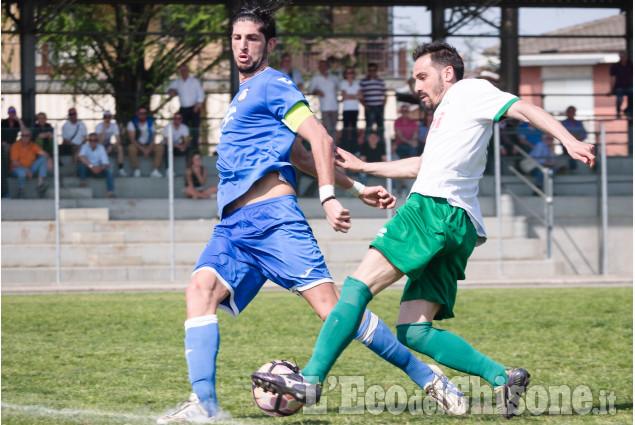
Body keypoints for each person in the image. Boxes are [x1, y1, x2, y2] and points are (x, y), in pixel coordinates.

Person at [253, 40, 596, 419]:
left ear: (447, 73)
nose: (416, 86)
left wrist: (568, 138)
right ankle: (502, 377)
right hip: (459, 223)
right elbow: (423, 164)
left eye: (421, 76)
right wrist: (364, 167)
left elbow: (523, 108)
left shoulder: (469, 90)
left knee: (355, 287)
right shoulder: (449, 113)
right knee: (414, 331)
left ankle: (311, 379)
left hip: (431, 209)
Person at [157, 9, 466, 424]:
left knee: (335, 311)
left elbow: (318, 137)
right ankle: (205, 407)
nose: (242, 46)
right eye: (236, 38)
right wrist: (354, 187)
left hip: (273, 221)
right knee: (200, 290)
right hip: (234, 228)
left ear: (270, 44)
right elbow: (299, 155)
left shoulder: (274, 83)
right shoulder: (243, 94)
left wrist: (327, 198)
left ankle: (428, 377)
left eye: (252, 38)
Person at [167, 65, 205, 151]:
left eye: (185, 70)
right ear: (180, 72)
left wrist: (198, 104)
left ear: (188, 71)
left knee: (195, 128)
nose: (183, 72)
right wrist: (171, 91)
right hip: (183, 108)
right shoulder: (177, 82)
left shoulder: (194, 81)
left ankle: (195, 149)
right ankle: (184, 147)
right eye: (182, 71)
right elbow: (168, 88)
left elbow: (201, 94)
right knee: (183, 128)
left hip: (194, 107)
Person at [10, 129, 52, 198]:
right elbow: (15, 162)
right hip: (17, 169)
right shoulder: (15, 145)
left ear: (30, 136)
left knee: (43, 159)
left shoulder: (32, 145)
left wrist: (49, 159)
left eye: (26, 136)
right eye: (23, 135)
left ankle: (40, 185)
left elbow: (43, 153)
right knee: (22, 173)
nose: (24, 137)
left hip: (31, 168)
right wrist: (27, 170)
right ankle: (21, 192)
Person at [307, 59, 339, 143]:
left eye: (324, 66)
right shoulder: (316, 78)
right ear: (319, 68)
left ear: (328, 67)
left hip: (335, 106)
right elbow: (310, 90)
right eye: (321, 66)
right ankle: (330, 147)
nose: (323, 68)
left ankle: (335, 148)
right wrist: (317, 91)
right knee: (328, 129)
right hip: (324, 107)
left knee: (334, 129)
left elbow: (341, 88)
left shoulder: (334, 78)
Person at [126, 107, 164, 177]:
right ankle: (136, 169)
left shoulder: (150, 122)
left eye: (144, 113)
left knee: (160, 147)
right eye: (141, 113)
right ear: (137, 114)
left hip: (149, 145)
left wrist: (149, 148)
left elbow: (153, 138)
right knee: (131, 148)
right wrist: (143, 149)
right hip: (138, 146)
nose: (143, 115)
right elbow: (132, 140)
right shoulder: (132, 123)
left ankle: (155, 170)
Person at [77, 133, 115, 198]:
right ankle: (83, 183)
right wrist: (91, 167)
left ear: (97, 140)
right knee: (82, 164)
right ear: (89, 141)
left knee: (109, 171)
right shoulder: (85, 146)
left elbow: (105, 163)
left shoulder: (101, 148)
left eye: (95, 140)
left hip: (98, 170)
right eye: (91, 141)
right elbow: (81, 157)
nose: (93, 142)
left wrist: (99, 169)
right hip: (88, 169)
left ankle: (110, 193)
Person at [360, 62, 387, 144]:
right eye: (370, 70)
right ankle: (366, 146)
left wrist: (383, 105)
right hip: (369, 108)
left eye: (374, 70)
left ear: (376, 71)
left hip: (379, 107)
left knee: (380, 127)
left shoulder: (380, 81)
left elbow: (385, 95)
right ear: (368, 71)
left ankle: (381, 146)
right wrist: (365, 106)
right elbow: (360, 95)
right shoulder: (363, 82)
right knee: (368, 127)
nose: (372, 72)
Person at [2, 106, 26, 197]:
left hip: (15, 145)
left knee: (15, 149)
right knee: (6, 150)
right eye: (10, 111)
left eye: (13, 111)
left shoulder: (17, 123)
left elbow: (24, 131)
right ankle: (7, 170)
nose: (12, 113)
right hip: (4, 144)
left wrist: (19, 120)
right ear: (8, 113)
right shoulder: (3, 122)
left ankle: (12, 170)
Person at [95, 110, 127, 177]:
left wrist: (112, 146)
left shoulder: (114, 126)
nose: (107, 119)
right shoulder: (98, 126)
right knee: (100, 148)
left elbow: (118, 140)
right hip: (100, 146)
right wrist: (104, 130)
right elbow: (99, 142)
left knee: (120, 147)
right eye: (105, 117)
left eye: (109, 117)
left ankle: (121, 169)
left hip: (109, 145)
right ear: (103, 118)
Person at [339, 65, 361, 155]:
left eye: (351, 72)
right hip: (346, 109)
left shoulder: (356, 83)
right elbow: (344, 96)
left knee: (354, 130)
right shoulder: (343, 83)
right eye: (348, 72)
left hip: (355, 109)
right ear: (345, 74)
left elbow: (360, 96)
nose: (350, 74)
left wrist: (350, 96)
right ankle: (344, 149)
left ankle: (355, 149)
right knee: (346, 129)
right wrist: (354, 96)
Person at [560, 106, 587, 172]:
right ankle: (573, 169)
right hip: (567, 146)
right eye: (570, 112)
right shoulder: (563, 123)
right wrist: (574, 137)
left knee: (593, 148)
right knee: (572, 152)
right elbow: (563, 134)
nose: (571, 113)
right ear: (567, 113)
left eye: (573, 112)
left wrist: (577, 137)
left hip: (579, 144)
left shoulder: (579, 123)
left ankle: (595, 168)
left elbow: (585, 134)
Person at [609, 50, 633, 119]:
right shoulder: (615, 66)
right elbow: (613, 78)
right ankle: (618, 112)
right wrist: (611, 89)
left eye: (625, 56)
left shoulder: (630, 65)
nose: (623, 58)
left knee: (632, 95)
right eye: (622, 56)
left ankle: (628, 111)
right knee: (620, 99)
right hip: (619, 88)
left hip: (628, 87)